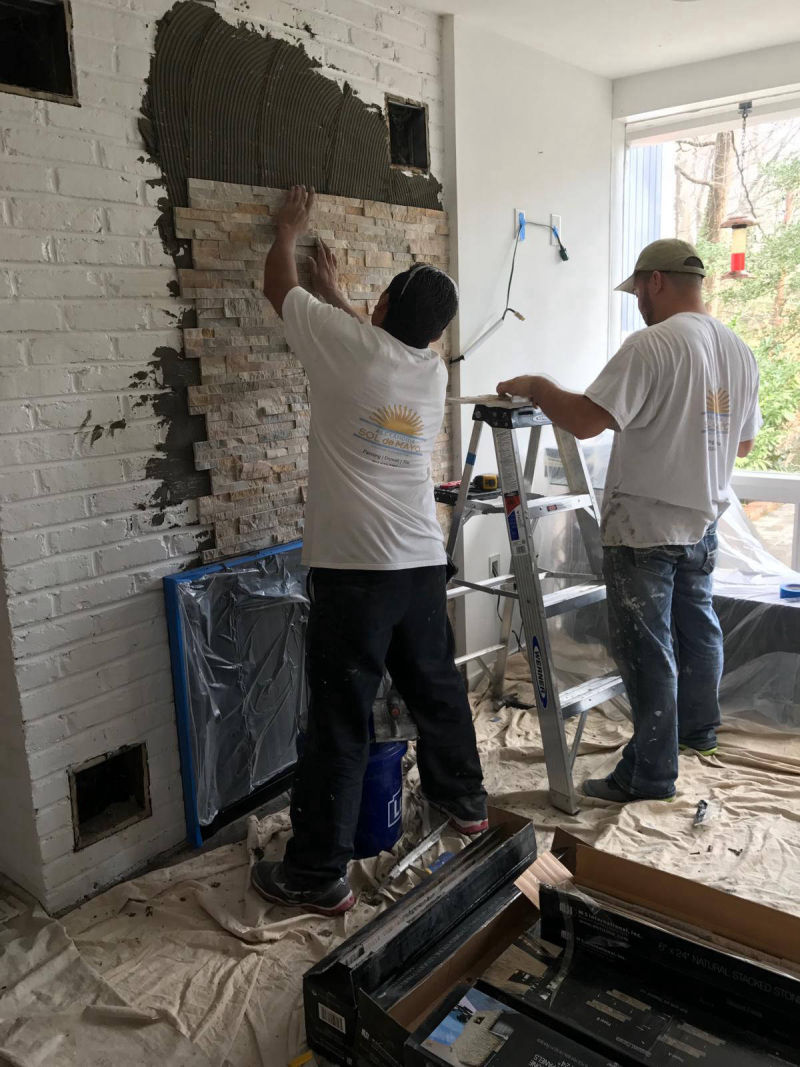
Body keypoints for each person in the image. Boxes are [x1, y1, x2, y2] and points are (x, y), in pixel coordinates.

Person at [250, 186, 488, 915]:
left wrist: (287, 233)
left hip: (355, 571)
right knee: (436, 687)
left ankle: (315, 873)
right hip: (420, 562)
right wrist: (334, 292)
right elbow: (372, 343)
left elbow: (276, 289)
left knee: (341, 717)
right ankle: (465, 802)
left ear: (383, 304)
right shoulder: (429, 371)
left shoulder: (350, 348)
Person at [496, 238, 761, 804]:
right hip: (703, 522)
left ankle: (649, 774)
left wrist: (538, 386)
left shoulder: (652, 344)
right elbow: (742, 443)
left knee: (648, 652)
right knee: (698, 630)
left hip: (644, 527)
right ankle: (697, 732)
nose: (638, 302)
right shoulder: (738, 349)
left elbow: (585, 421)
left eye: (638, 290)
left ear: (655, 281)